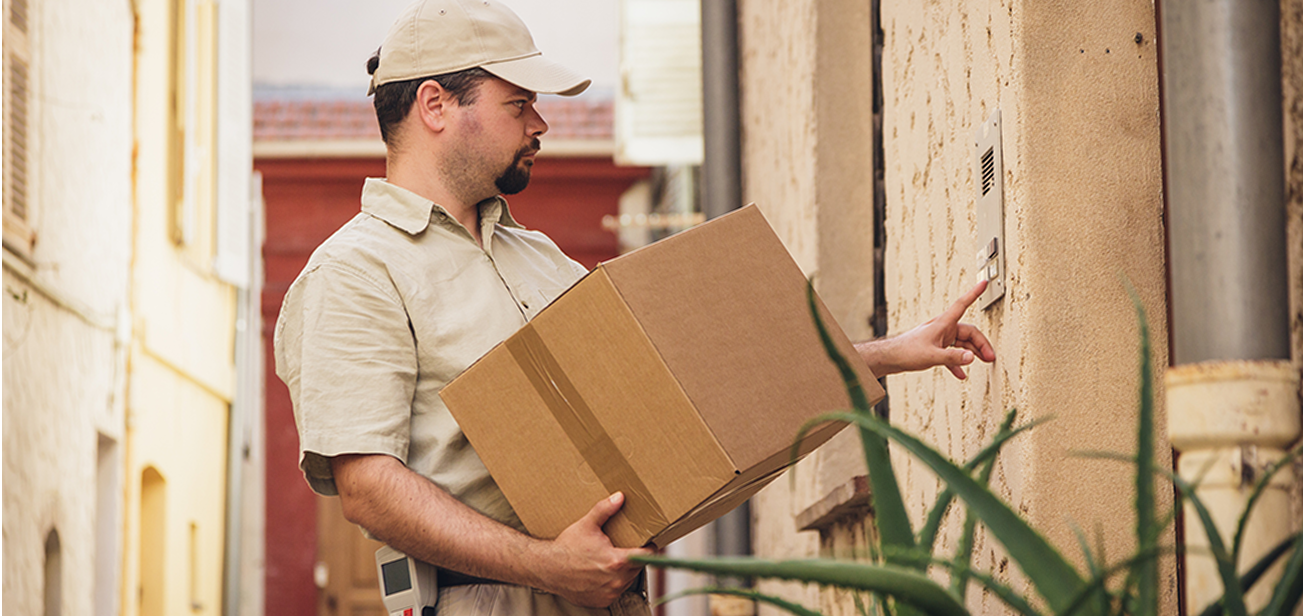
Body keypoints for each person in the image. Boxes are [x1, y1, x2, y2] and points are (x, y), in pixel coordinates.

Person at [273, 1, 995, 615]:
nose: (539, 126)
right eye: (518, 104)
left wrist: (889, 351)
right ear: (435, 106)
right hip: (488, 599)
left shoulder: (536, 257)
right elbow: (368, 488)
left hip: (604, 594)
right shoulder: (355, 272)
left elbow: (674, 385)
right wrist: (544, 565)